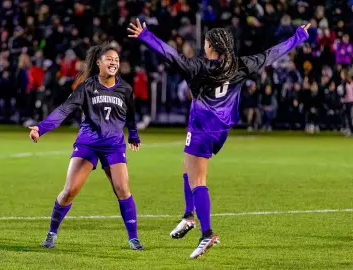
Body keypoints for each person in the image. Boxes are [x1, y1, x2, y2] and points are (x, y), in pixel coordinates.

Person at [128, 18, 310, 259]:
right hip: (220, 129)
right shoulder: (240, 65)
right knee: (188, 165)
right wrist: (298, 37)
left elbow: (171, 55)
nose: (203, 46)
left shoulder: (198, 68)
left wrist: (145, 36)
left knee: (198, 180)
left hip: (203, 127)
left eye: (205, 42)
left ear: (211, 46)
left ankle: (207, 233)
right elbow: (270, 55)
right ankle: (188, 216)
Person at [28, 44, 143, 250]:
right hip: (88, 143)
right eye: (109, 59)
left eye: (116, 59)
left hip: (113, 146)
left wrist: (133, 134)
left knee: (123, 189)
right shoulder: (86, 87)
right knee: (70, 190)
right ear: (98, 62)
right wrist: (41, 128)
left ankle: (133, 238)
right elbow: (64, 110)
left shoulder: (125, 88)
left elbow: (131, 115)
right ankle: (52, 233)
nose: (114, 62)